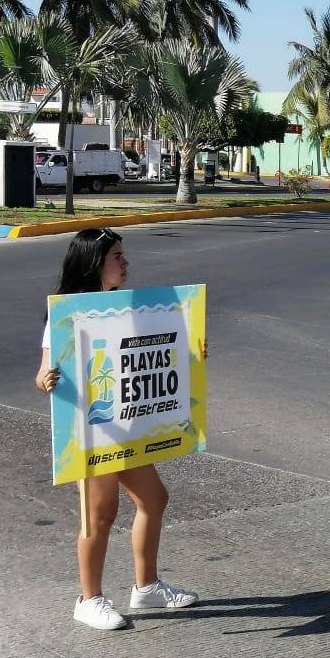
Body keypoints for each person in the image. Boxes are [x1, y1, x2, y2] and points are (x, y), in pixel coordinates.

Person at [35, 228, 202, 631]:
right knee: (100, 514)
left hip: (128, 426)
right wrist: (48, 379)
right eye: (117, 257)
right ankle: (88, 599)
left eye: (124, 256)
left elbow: (154, 352)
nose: (125, 264)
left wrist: (192, 353)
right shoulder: (67, 312)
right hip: (93, 432)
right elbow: (43, 373)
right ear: (94, 262)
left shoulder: (128, 306)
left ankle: (147, 587)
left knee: (154, 498)